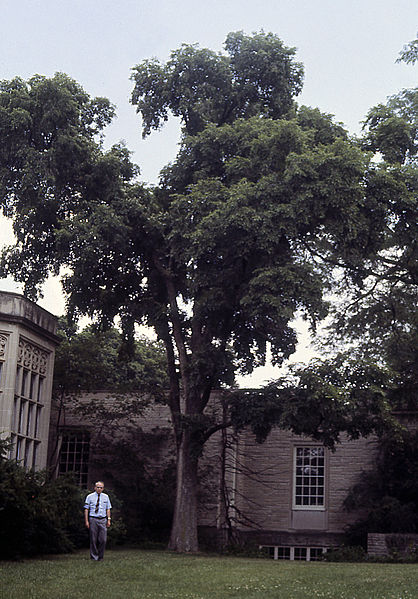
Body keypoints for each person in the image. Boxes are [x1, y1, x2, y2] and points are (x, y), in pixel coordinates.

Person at [84, 481, 112, 561]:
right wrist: (86, 521)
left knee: (103, 539)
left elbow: (108, 509)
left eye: (101, 487)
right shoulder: (89, 497)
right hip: (93, 519)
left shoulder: (106, 497)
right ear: (95, 488)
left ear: (103, 488)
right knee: (93, 539)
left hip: (103, 519)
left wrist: (109, 519)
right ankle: (94, 557)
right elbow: (86, 509)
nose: (99, 489)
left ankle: (100, 556)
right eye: (98, 487)